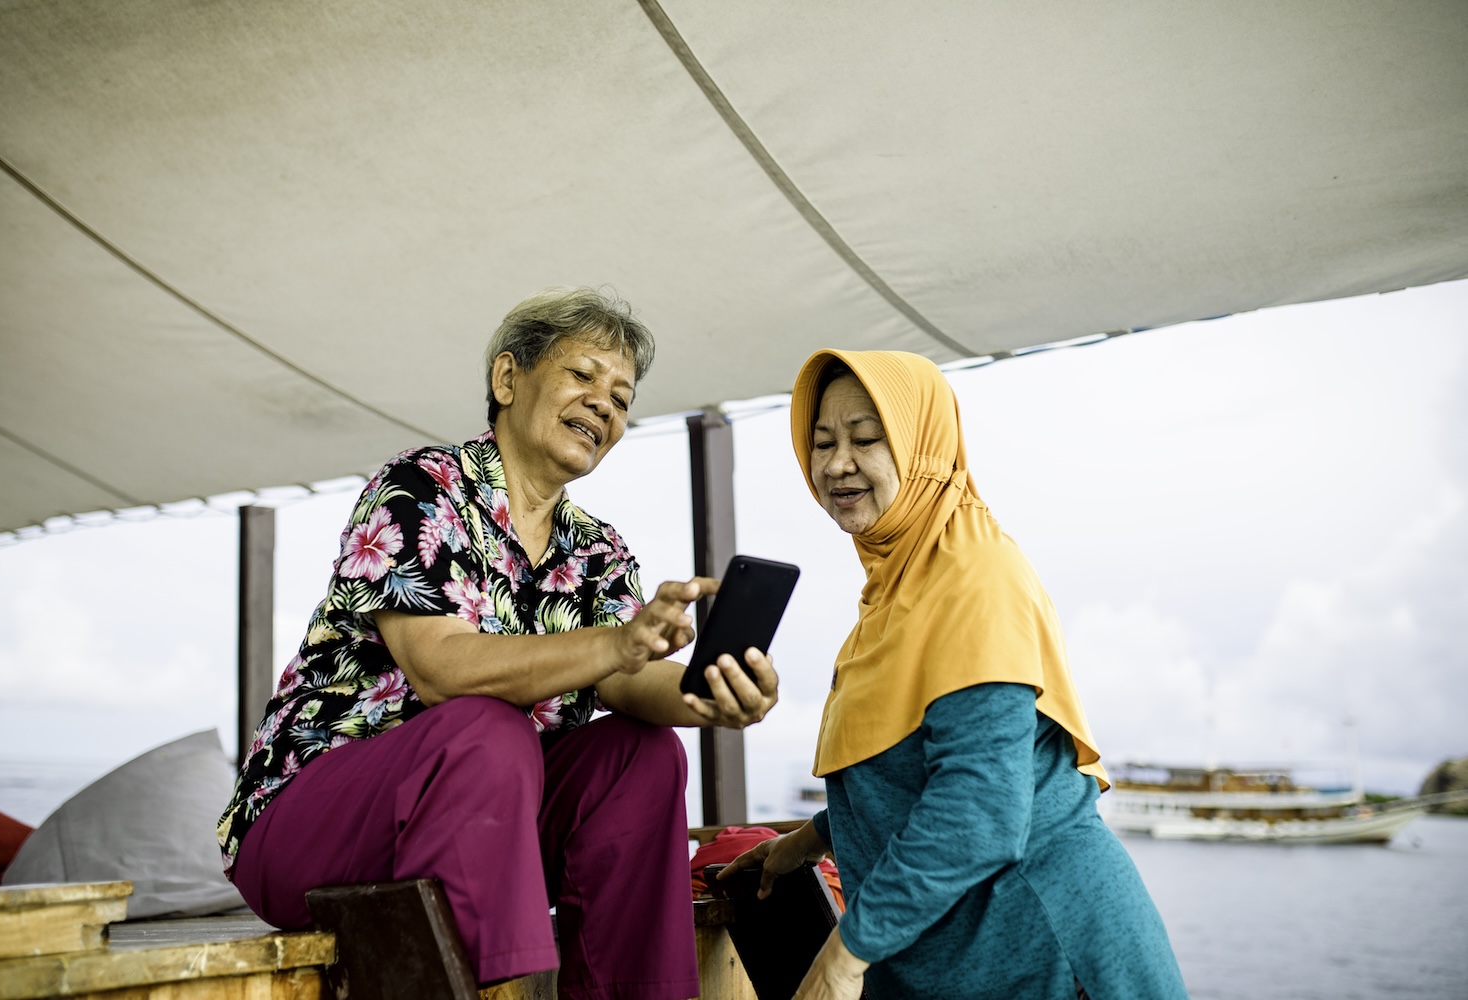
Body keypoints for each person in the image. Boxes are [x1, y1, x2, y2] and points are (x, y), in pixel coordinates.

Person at [217, 287, 779, 998]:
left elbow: (630, 678)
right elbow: (442, 670)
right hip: (311, 829)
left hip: (487, 836)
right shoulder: (420, 489)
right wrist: (616, 640)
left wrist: (713, 696)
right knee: (487, 725)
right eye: (582, 375)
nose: (603, 404)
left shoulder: (596, 548)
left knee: (643, 754)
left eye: (621, 396)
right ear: (508, 379)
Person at [721, 350, 1186, 999]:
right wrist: (809, 840)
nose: (834, 465)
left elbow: (978, 811)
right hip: (960, 956)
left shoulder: (975, 577)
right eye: (821, 442)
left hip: (1043, 946)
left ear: (923, 447)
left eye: (865, 438)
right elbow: (920, 767)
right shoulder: (897, 589)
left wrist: (843, 956)